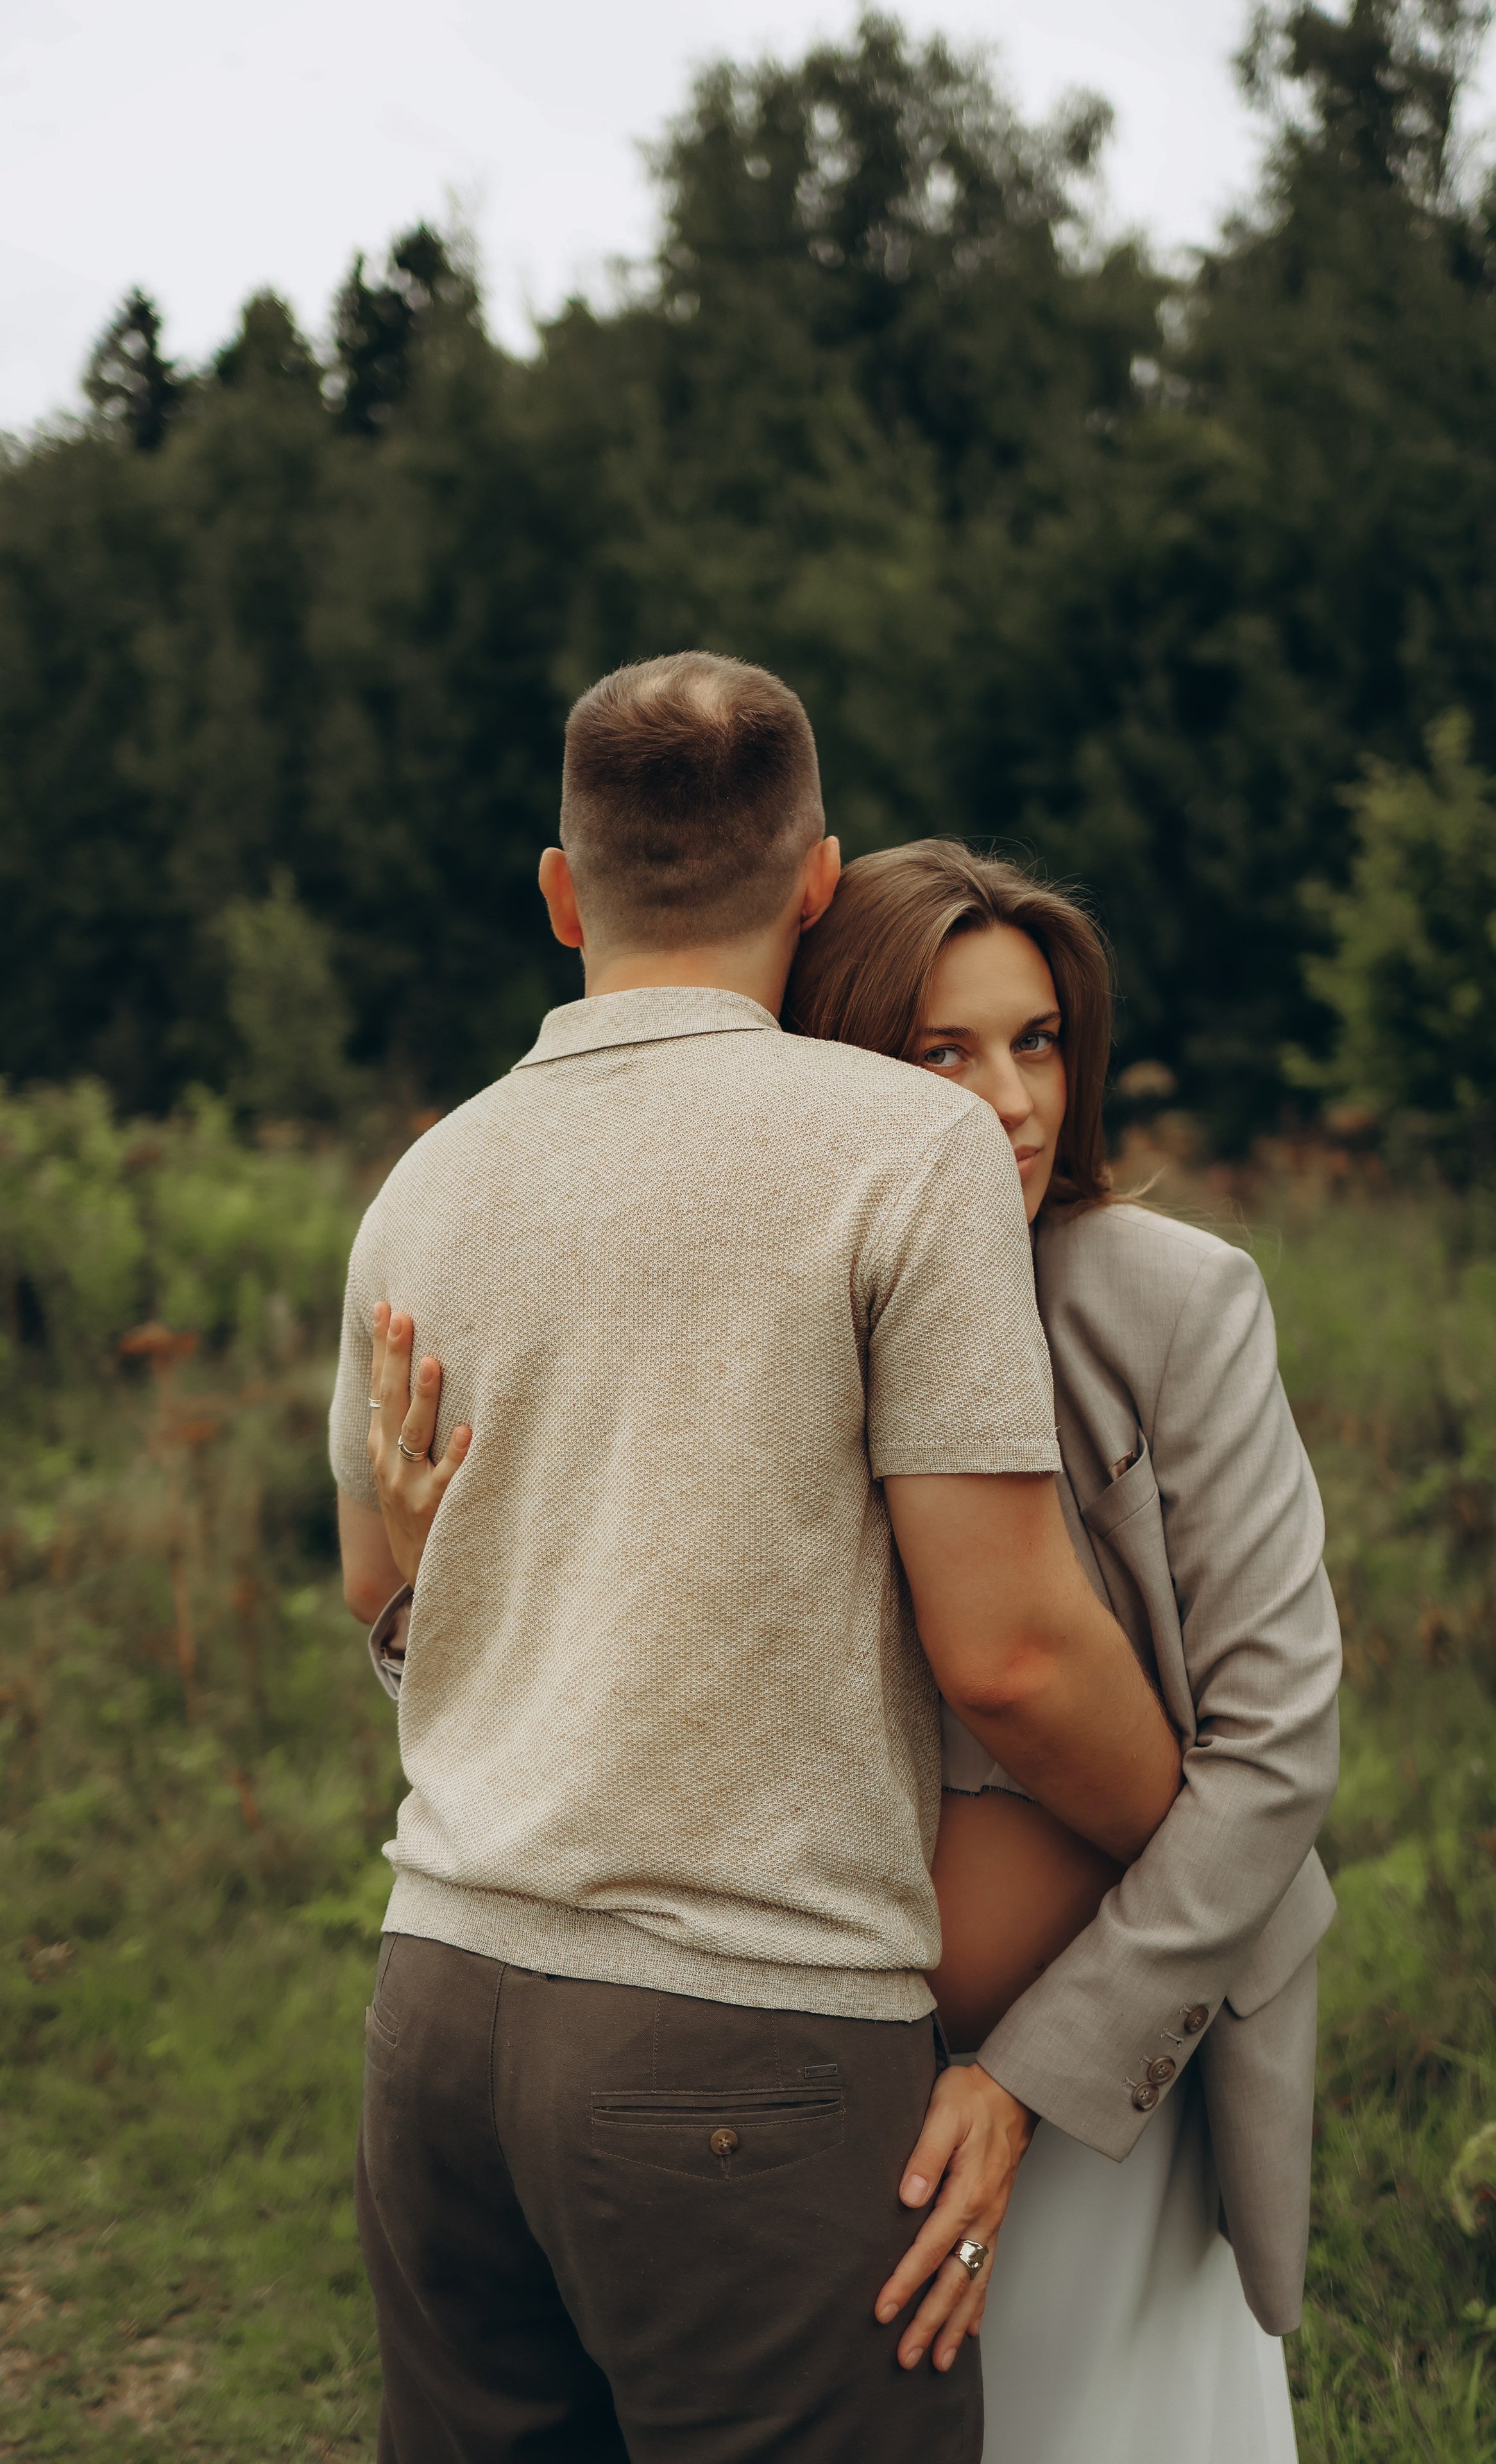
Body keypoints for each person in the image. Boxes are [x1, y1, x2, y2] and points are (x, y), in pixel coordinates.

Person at [330, 653, 1181, 2463]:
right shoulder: (908, 1150)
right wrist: (1206, 1822)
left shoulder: (425, 1181)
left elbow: (379, 1588)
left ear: (561, 890)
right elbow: (1015, 1656)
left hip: (436, 2010)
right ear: (817, 882)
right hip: (742, 2052)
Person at [783, 841, 1343, 2461]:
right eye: (941, 1052)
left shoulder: (1170, 1304)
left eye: (1035, 1041)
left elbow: (1279, 1755)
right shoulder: (778, 1318)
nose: (1011, 1100)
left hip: (1109, 2069)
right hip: (826, 2073)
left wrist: (1029, 2077)